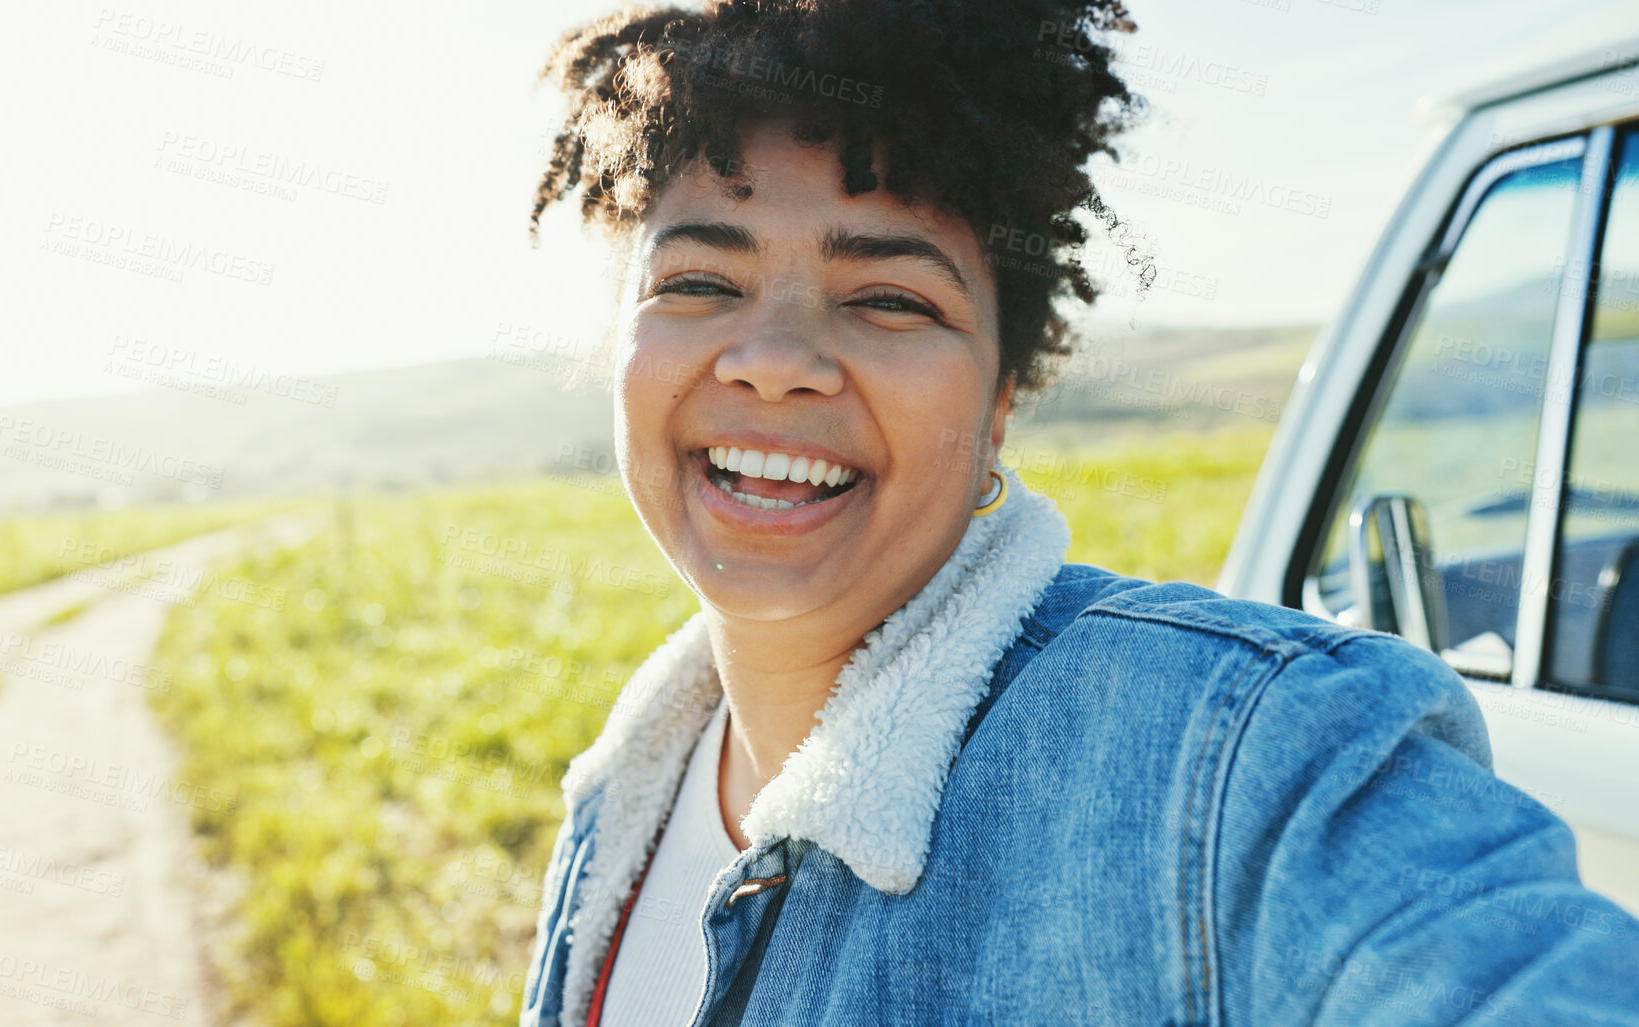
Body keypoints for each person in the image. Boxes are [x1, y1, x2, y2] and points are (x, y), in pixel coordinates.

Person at [518, 2, 1639, 1024]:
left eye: (892, 298)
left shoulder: (1241, 762)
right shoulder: (624, 797)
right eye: (699, 284)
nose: (773, 363)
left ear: (1003, 399)